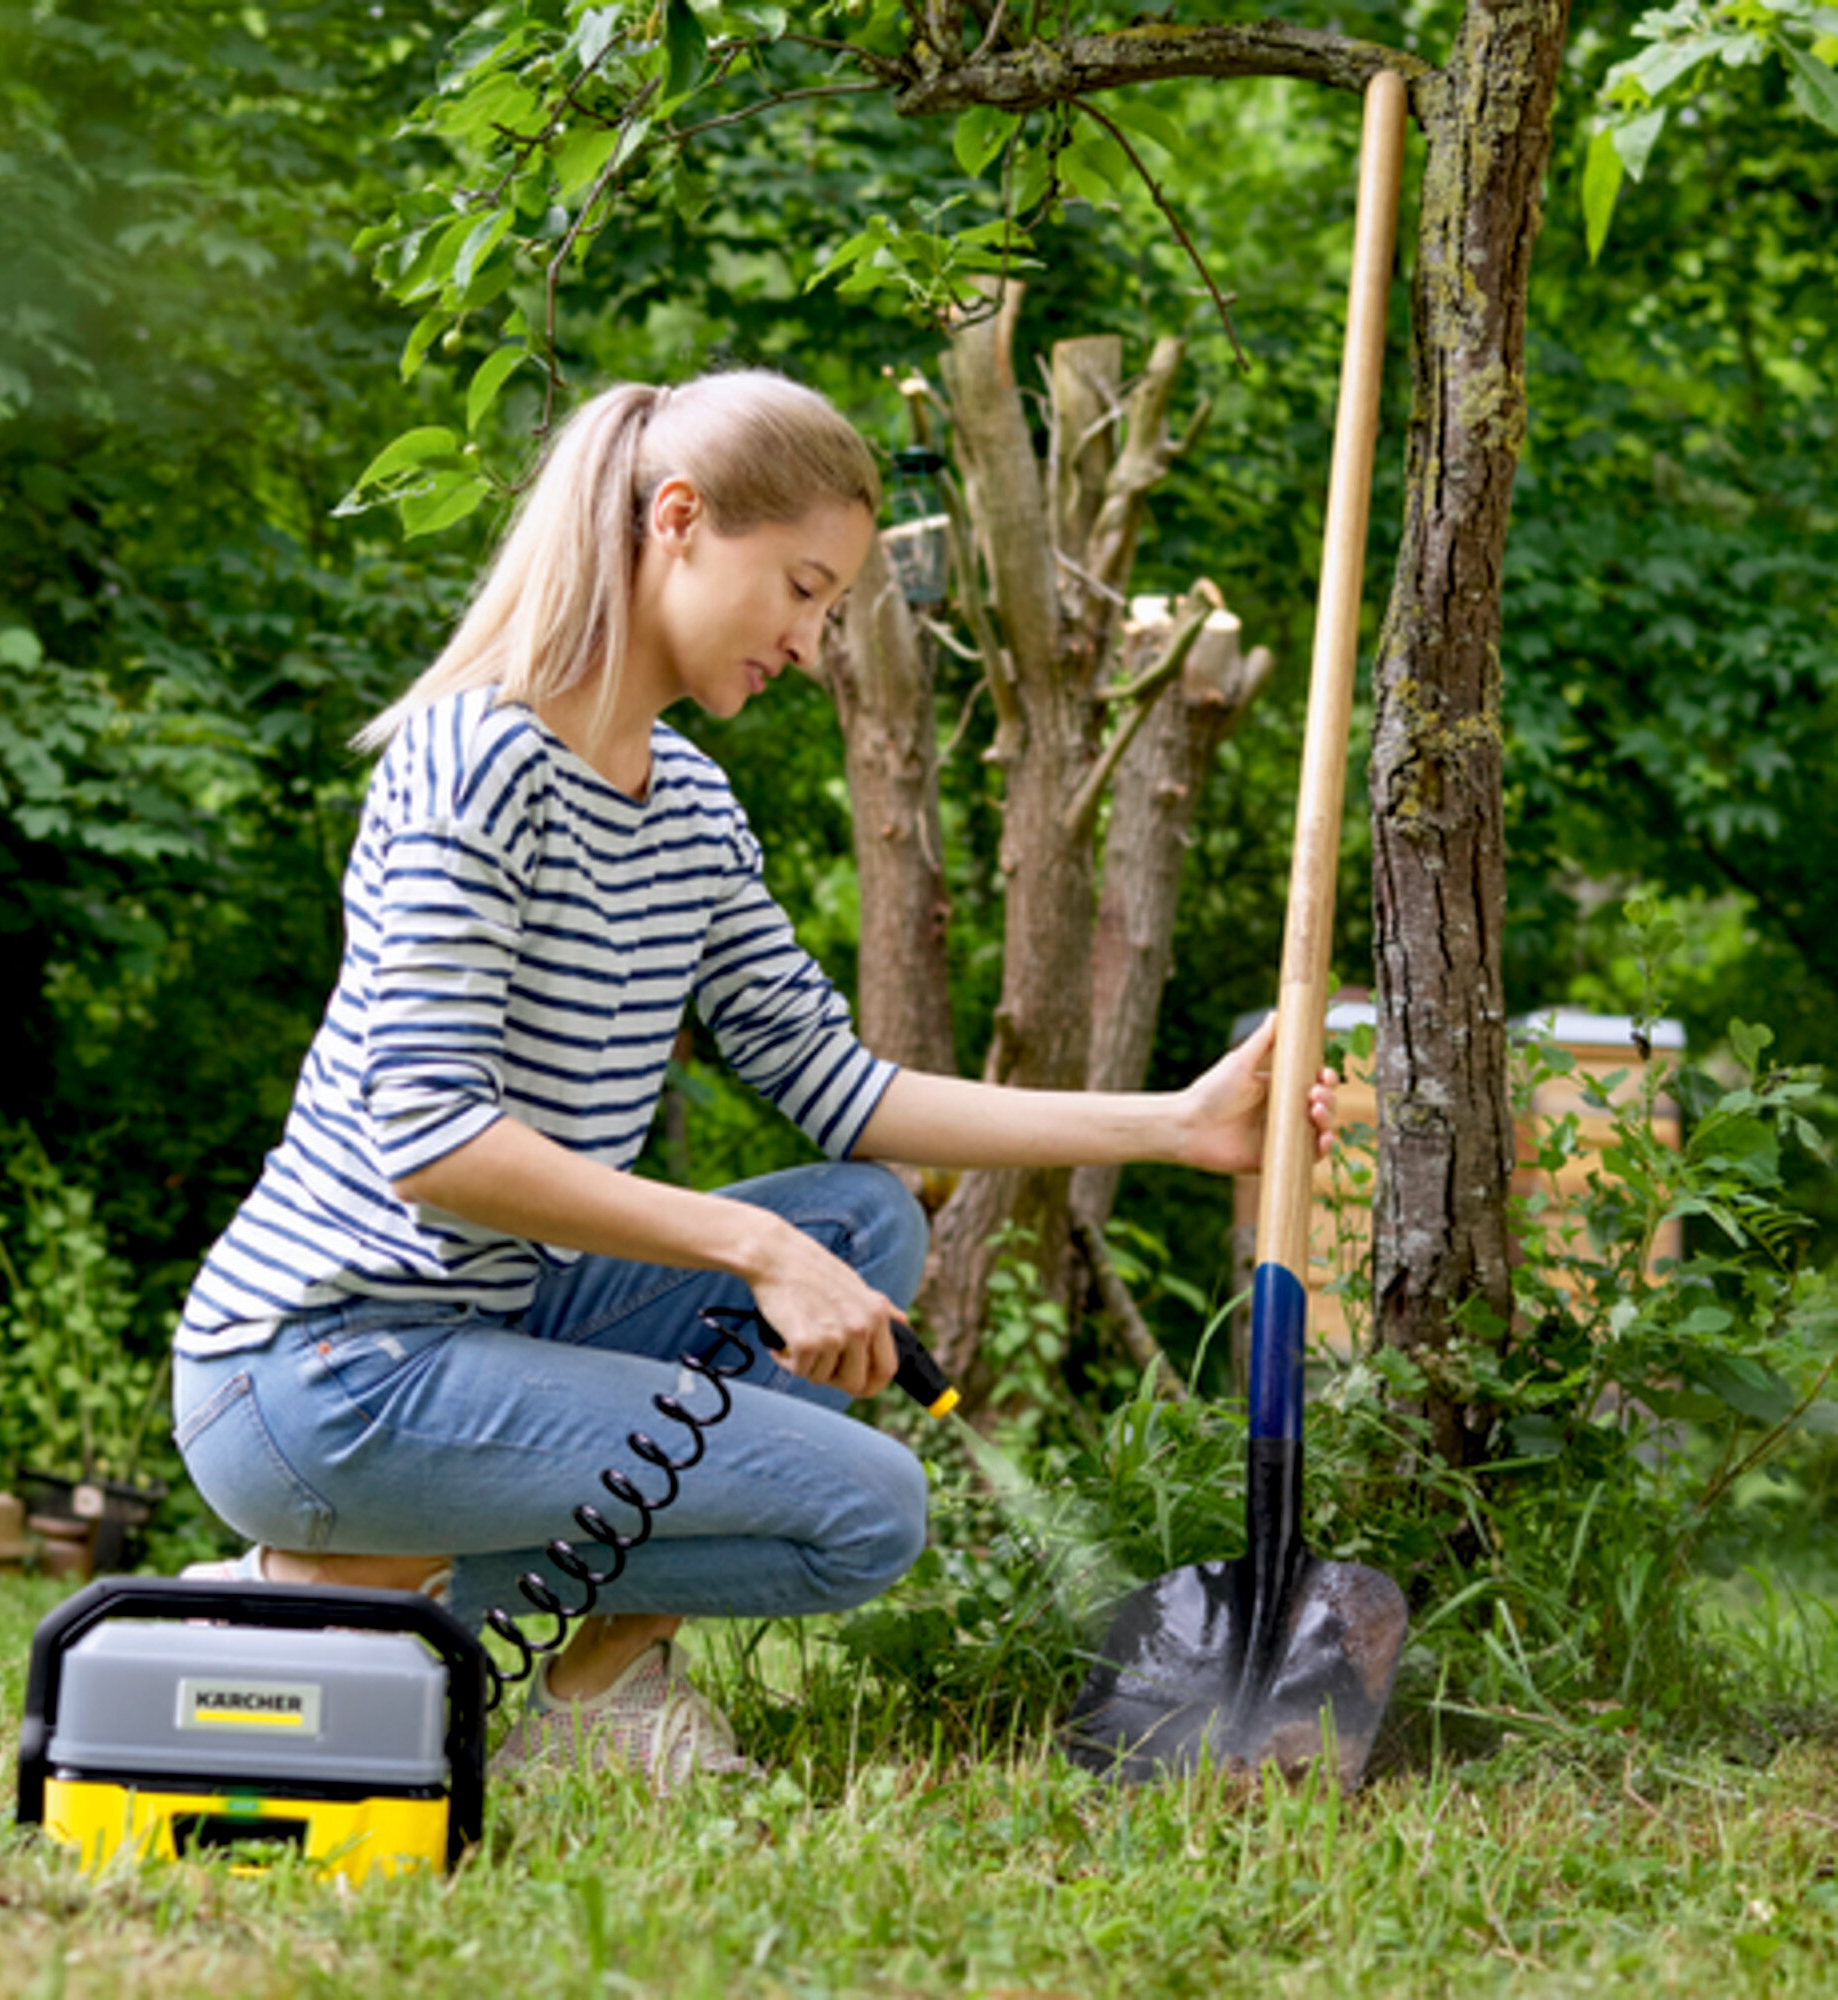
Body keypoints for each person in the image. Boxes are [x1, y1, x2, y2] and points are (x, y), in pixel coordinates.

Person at [171, 369, 1336, 1789]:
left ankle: (583, 1698)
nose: (813, 640)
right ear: (677, 521)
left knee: (865, 1215)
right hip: (320, 1370)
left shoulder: (694, 813)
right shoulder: (472, 761)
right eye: (801, 589)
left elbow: (840, 1088)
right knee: (863, 1512)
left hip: (492, 1322)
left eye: (832, 608)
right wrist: (750, 1243)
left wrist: (1177, 1124)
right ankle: (317, 1597)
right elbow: (430, 1139)